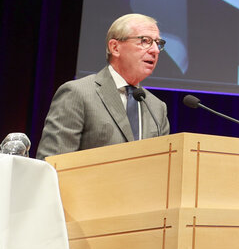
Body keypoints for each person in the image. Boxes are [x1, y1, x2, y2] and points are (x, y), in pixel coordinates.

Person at [36, 13, 170, 160]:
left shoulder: (157, 108)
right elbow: (53, 163)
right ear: (115, 47)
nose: (155, 50)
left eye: (157, 43)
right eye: (145, 41)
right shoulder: (78, 93)